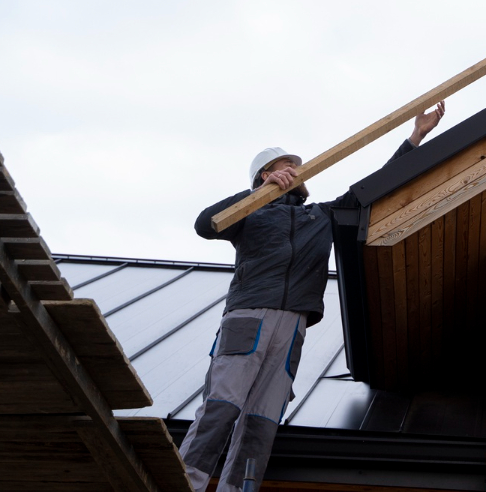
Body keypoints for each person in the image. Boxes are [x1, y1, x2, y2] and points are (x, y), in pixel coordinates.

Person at [178, 102, 447, 492]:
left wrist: (415, 138)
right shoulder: (250, 216)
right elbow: (205, 224)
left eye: (296, 166)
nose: (297, 170)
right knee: (222, 405)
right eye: (286, 165)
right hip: (249, 319)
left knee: (261, 421)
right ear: (266, 175)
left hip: (293, 327)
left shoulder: (319, 216)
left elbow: (374, 188)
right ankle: (186, 482)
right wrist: (259, 194)